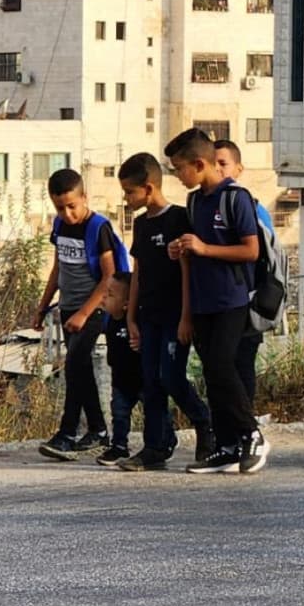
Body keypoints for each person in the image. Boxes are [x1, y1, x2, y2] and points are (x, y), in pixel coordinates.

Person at [164, 128, 270, 474]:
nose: (178, 176)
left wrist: (205, 248)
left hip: (232, 298)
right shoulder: (195, 201)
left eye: (180, 168)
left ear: (198, 163)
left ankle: (252, 433)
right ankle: (227, 445)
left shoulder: (235, 198)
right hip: (202, 299)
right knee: (211, 371)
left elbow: (250, 250)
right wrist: (180, 249)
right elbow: (192, 252)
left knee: (224, 366)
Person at [115, 152, 213, 472]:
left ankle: (203, 421)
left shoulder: (179, 218)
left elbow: (188, 272)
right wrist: (131, 317)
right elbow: (138, 270)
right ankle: (155, 446)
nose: (127, 199)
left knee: (170, 376)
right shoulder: (141, 224)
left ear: (148, 188)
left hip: (175, 315)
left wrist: (187, 316)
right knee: (150, 381)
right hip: (148, 315)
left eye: (130, 192)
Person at [34, 169, 115, 461]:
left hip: (94, 309)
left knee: (74, 365)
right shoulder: (60, 226)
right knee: (81, 371)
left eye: (72, 206)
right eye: (60, 207)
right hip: (68, 309)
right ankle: (98, 430)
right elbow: (58, 269)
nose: (67, 213)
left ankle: (67, 434)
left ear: (84, 198)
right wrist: (43, 306)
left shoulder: (98, 228)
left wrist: (84, 312)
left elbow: (109, 278)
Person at [213, 139, 270, 407]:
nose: (218, 169)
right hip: (219, 301)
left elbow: (265, 256)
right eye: (214, 164)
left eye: (223, 163)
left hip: (248, 299)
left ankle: (246, 425)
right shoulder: (205, 204)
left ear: (238, 168)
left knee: (243, 362)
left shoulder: (251, 207)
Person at [97, 272, 143, 466]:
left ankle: (164, 440)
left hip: (141, 377)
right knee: (119, 413)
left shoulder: (135, 323)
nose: (105, 298)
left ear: (126, 303)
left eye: (111, 294)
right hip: (120, 378)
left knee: (154, 408)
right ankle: (119, 446)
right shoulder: (108, 321)